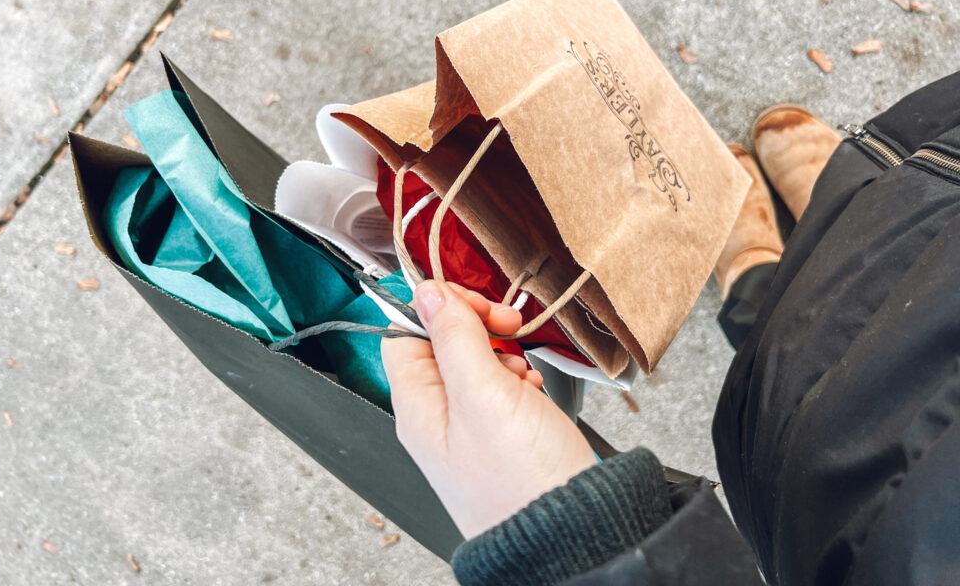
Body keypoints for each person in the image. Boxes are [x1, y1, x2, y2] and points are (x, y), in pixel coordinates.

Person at [382, 71, 960, 585]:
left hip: (850, 513)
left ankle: (757, 277)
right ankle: (842, 229)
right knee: (867, 242)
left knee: (798, 354)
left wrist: (575, 550)